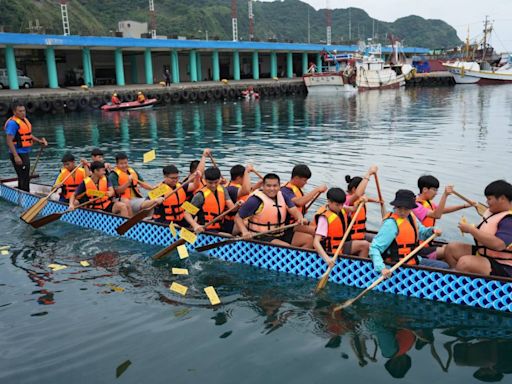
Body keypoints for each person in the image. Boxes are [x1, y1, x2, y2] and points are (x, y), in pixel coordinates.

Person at [369, 189, 447, 278]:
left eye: (406, 208)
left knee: (444, 266)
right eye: (399, 208)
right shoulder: (391, 224)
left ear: (411, 208)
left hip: (413, 260)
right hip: (397, 265)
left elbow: (422, 233)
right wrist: (382, 268)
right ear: (395, 206)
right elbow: (374, 248)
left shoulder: (410, 216)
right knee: (444, 267)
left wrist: (432, 230)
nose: (402, 212)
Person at [443, 180, 512, 277]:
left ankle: (460, 283)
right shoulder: (495, 212)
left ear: (502, 199)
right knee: (451, 248)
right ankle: (455, 277)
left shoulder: (509, 220)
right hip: (485, 253)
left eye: (489, 199)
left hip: (503, 264)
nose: (487, 202)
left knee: (465, 262)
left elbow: (499, 245)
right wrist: (473, 228)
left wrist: (471, 230)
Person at [234, 173, 307, 246]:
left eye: (275, 186)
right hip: (260, 236)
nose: (272, 189)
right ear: (263, 186)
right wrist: (244, 232)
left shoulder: (283, 196)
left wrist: (300, 218)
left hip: (280, 233)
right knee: (286, 246)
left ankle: (300, 257)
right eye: (268, 186)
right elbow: (238, 217)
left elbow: (294, 210)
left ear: (279, 186)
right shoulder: (255, 200)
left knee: (308, 239)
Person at [413, 175, 474, 260]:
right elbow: (437, 215)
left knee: (453, 248)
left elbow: (441, 210)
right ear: (425, 189)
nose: (436, 193)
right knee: (450, 251)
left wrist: (464, 206)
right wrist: (445, 195)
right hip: (418, 248)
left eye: (437, 190)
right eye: (434, 190)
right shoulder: (415, 206)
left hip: (427, 243)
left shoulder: (427, 202)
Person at [313, 188, 370, 267]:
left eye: (342, 204)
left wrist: (361, 200)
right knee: (365, 245)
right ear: (329, 202)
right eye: (337, 205)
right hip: (330, 251)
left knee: (366, 245)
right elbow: (316, 242)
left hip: (340, 246)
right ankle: (358, 270)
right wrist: (327, 259)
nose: (340, 207)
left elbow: (353, 209)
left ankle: (359, 268)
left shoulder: (341, 208)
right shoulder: (324, 218)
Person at [3, 103, 47, 191]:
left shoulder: (24, 120)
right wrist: (16, 156)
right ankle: (25, 193)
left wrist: (38, 141)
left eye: (24, 111)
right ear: (14, 112)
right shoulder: (13, 123)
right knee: (24, 176)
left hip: (24, 152)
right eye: (20, 111)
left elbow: (28, 135)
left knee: (24, 175)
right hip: (18, 153)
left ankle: (22, 190)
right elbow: (9, 140)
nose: (23, 113)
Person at [184, 167, 235, 233]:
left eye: (216, 182)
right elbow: (186, 213)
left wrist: (238, 205)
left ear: (219, 180)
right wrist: (195, 225)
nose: (213, 185)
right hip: (205, 229)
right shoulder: (200, 196)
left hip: (221, 225)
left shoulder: (223, 189)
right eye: (210, 183)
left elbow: (232, 208)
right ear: (205, 180)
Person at [223, 164, 263, 233]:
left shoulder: (237, 187)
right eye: (245, 177)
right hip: (232, 223)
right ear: (238, 178)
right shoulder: (231, 189)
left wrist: (259, 177)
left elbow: (253, 188)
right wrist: (246, 172)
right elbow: (246, 190)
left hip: (240, 220)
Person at [344, 165, 380, 241]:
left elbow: (363, 198)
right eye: (362, 189)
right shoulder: (347, 200)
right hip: (349, 237)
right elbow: (358, 194)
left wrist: (378, 201)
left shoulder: (358, 199)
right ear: (354, 189)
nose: (364, 191)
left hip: (360, 235)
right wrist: (368, 174)